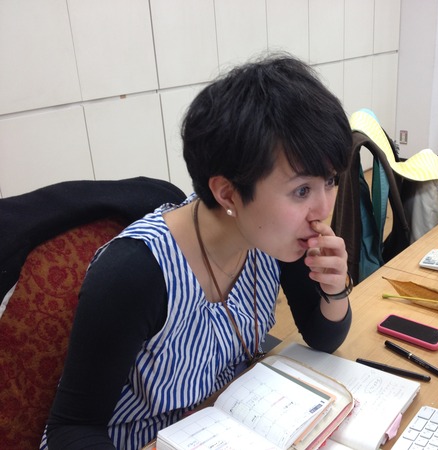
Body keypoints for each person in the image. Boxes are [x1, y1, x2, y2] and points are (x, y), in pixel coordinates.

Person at [41, 54, 354, 449]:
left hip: (231, 423)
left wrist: (334, 289)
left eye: (330, 181)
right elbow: (71, 429)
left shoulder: (273, 238)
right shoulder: (136, 272)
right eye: (302, 190)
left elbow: (322, 336)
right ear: (228, 193)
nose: (323, 209)